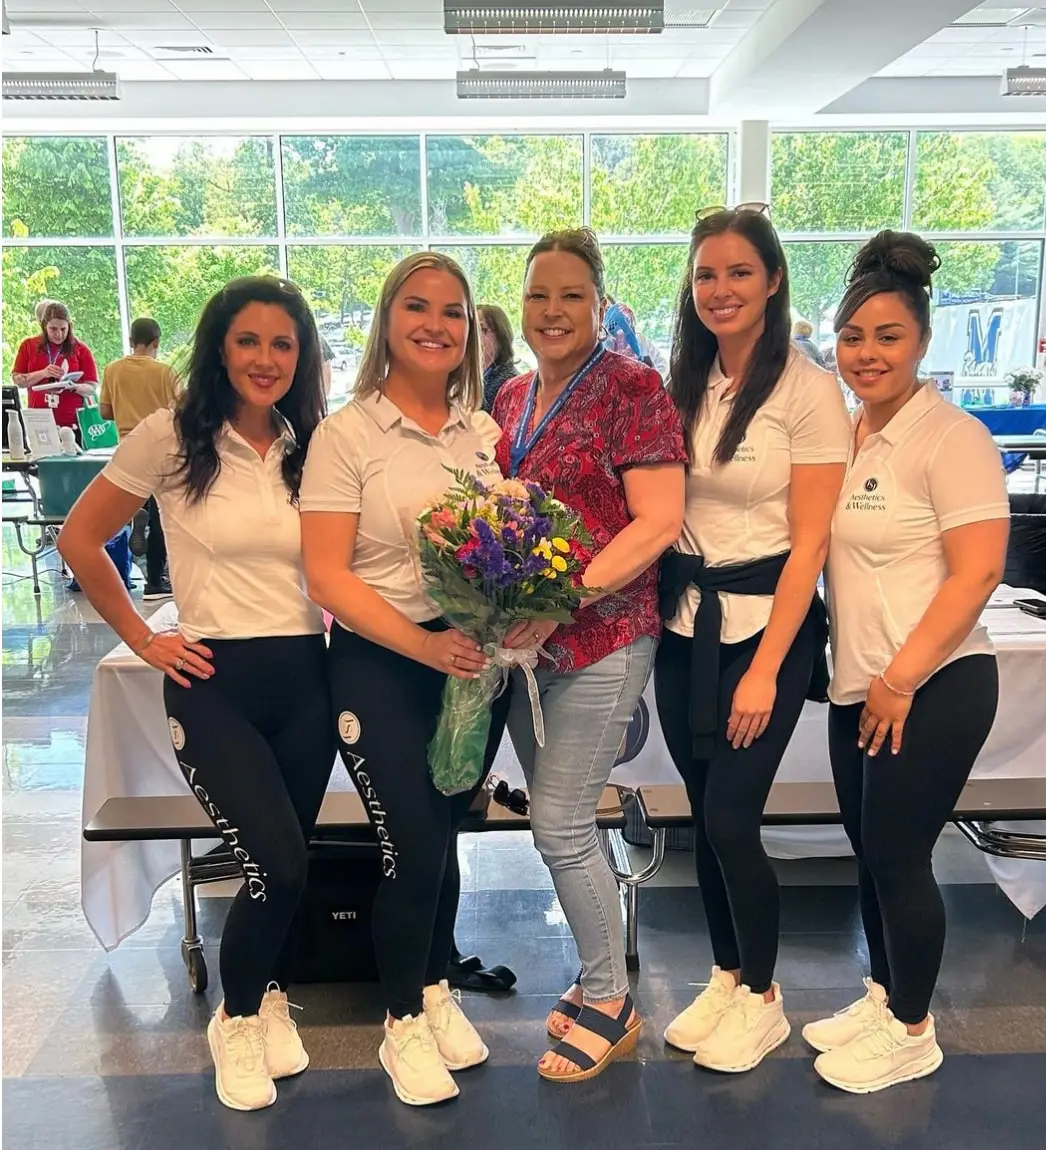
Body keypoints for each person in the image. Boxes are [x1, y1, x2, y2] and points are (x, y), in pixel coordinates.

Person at [57, 276, 334, 1113]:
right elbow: (80, 538)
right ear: (219, 346)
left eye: (283, 344)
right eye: (248, 340)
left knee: (287, 858)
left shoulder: (310, 443)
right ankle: (237, 1016)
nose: (265, 358)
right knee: (277, 864)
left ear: (302, 357)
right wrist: (144, 638)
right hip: (213, 683)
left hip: (306, 681)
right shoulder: (170, 437)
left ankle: (273, 991)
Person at [299, 252, 512, 1108]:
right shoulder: (346, 435)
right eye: (417, 308)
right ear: (388, 320)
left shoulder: (482, 432)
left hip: (468, 661)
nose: (436, 324)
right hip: (382, 661)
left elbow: (502, 546)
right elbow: (328, 576)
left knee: (445, 835)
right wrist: (422, 649)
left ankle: (432, 990)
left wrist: (508, 611)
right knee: (411, 847)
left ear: (470, 329)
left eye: (453, 311)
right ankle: (399, 1023)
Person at [802, 231, 1008, 1093]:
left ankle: (915, 1030)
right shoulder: (848, 438)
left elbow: (980, 572)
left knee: (897, 853)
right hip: (862, 684)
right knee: (868, 848)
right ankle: (886, 996)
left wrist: (899, 679)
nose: (867, 354)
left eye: (888, 337)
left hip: (933, 681)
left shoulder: (948, 438)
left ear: (922, 340)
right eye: (854, 338)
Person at [653, 207, 851, 1074]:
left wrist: (767, 669)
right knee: (705, 818)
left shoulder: (807, 391)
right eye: (705, 275)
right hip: (683, 627)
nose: (720, 290)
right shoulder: (686, 381)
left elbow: (810, 542)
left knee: (734, 816)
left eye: (738, 272)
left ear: (772, 280)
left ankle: (765, 996)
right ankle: (727, 975)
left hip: (766, 630)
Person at [492, 228, 686, 1083]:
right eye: (539, 294)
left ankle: (611, 1000)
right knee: (561, 821)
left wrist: (561, 599)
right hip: (531, 649)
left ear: (601, 304)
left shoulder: (633, 390)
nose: (553, 310)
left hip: (605, 636)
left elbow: (657, 520)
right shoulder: (512, 399)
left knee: (559, 822)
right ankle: (597, 968)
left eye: (571, 294)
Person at [99, 317, 182, 601]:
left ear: (131, 341)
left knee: (137, 497)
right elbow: (183, 410)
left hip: (127, 448)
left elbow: (105, 412)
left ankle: (135, 514)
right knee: (162, 516)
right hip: (161, 449)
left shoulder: (112, 370)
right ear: (156, 343)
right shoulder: (165, 371)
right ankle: (156, 581)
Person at [10, 300, 100, 434]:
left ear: (69, 326)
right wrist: (43, 373)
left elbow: (92, 388)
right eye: (53, 329)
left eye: (63, 329)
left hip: (73, 423)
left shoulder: (81, 349)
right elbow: (18, 380)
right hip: (39, 421)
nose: (59, 334)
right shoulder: (28, 346)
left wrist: (73, 387)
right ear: (44, 326)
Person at [602, 295, 668, 376]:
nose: (606, 315)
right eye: (602, 311)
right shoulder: (600, 348)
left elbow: (663, 366)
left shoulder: (639, 340)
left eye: (608, 309)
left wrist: (651, 376)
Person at [477, 304, 518, 414]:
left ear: (501, 335)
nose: (473, 337)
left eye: (481, 329)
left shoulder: (510, 384)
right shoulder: (460, 377)